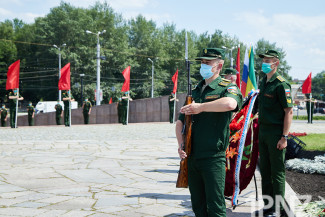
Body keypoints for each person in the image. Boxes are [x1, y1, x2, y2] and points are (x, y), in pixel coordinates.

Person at [176, 48, 243, 217]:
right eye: (202, 62)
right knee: (198, 207)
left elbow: (230, 104)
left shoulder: (226, 87)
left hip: (213, 157)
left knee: (216, 207)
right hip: (191, 157)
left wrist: (201, 107)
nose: (203, 65)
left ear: (219, 65)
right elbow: (180, 122)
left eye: (208, 62)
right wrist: (181, 145)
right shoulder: (196, 91)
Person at [256, 49, 293, 217]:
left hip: (276, 133)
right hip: (263, 132)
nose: (264, 63)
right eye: (263, 60)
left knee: (276, 172)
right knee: (265, 170)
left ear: (276, 63)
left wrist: (284, 137)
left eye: (267, 61)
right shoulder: (264, 81)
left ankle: (278, 208)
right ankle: (268, 205)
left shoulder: (281, 84)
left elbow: (289, 112)